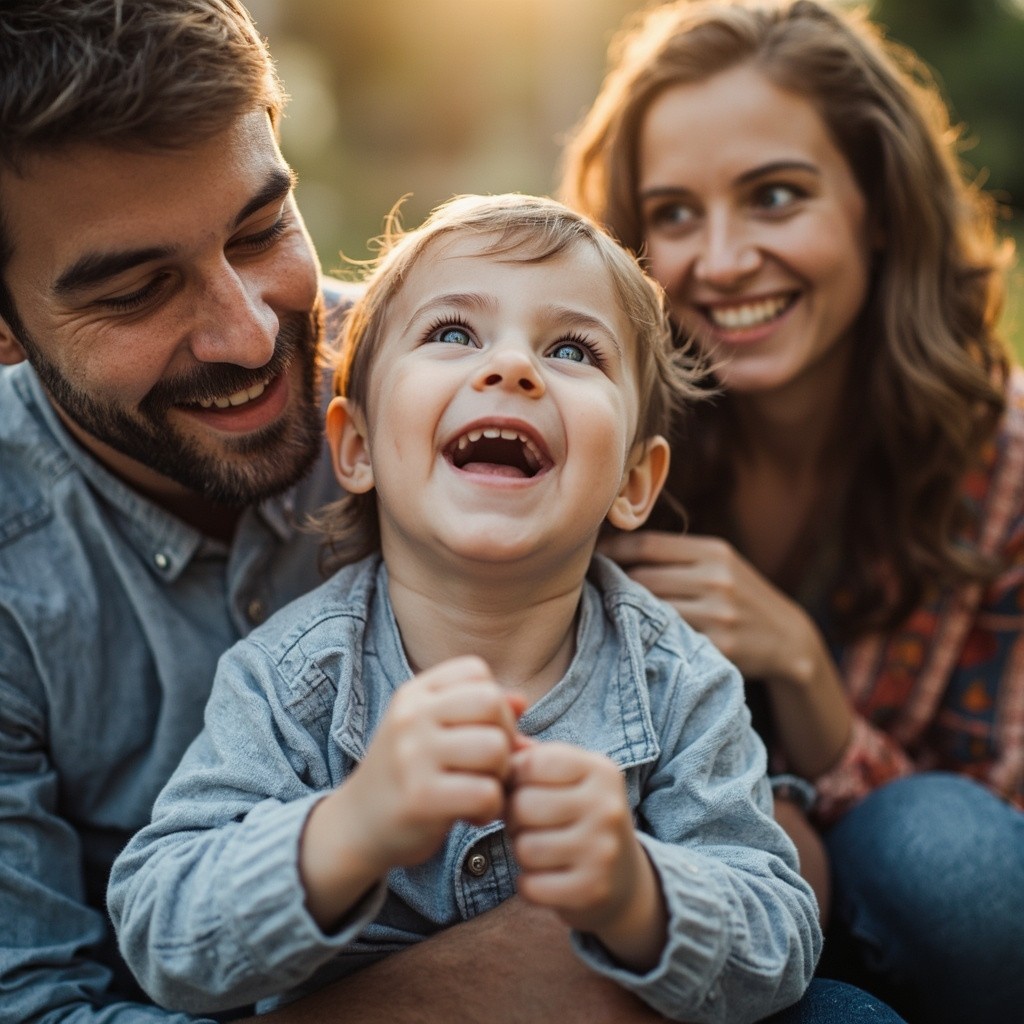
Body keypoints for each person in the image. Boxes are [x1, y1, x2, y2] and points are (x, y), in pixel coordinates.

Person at [0, 4, 690, 1024]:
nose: (246, 334)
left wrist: (660, 899)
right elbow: (37, 1005)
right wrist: (464, 989)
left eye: (260, 228)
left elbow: (752, 823)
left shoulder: (453, 394)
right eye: (138, 292)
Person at [106, 192, 825, 1023]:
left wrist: (639, 893)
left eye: (572, 349)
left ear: (634, 484)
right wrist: (348, 832)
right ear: (358, 446)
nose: (512, 369)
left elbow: (781, 936)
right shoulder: (291, 680)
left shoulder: (681, 682)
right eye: (453, 335)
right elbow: (161, 931)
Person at [558, 1, 1024, 1022]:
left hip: (908, 893)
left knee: (958, 862)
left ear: (879, 206)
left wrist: (803, 673)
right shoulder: (594, 436)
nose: (720, 261)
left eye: (774, 196)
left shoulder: (1003, 461)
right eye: (673, 214)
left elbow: (995, 829)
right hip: (667, 911)